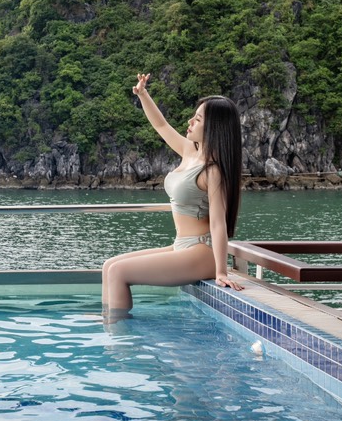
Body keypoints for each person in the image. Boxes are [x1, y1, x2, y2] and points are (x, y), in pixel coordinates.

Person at [102, 74, 244, 312]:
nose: (190, 121)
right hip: (182, 245)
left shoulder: (213, 171)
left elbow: (218, 224)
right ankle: (109, 320)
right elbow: (160, 125)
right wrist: (143, 95)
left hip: (201, 251)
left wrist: (221, 271)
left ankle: (118, 339)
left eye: (197, 119)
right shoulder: (190, 151)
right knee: (109, 265)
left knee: (118, 272)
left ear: (213, 128)